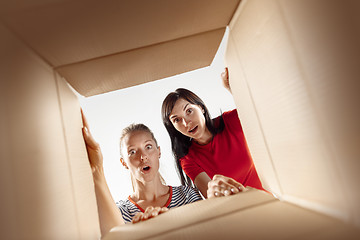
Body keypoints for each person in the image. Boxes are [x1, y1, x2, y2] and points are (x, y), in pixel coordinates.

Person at [81, 111, 202, 236]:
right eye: (132, 152)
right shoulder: (119, 212)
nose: (143, 156)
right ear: (124, 163)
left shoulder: (187, 195)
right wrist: (96, 169)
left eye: (148, 147)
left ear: (159, 151)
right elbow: (113, 236)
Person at [161, 68, 265, 199]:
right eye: (177, 120)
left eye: (189, 111)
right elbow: (210, 195)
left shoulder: (230, 121)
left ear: (201, 108)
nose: (186, 123)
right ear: (173, 127)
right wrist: (214, 190)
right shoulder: (188, 160)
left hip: (267, 200)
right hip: (237, 212)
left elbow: (261, 109)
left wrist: (233, 89)